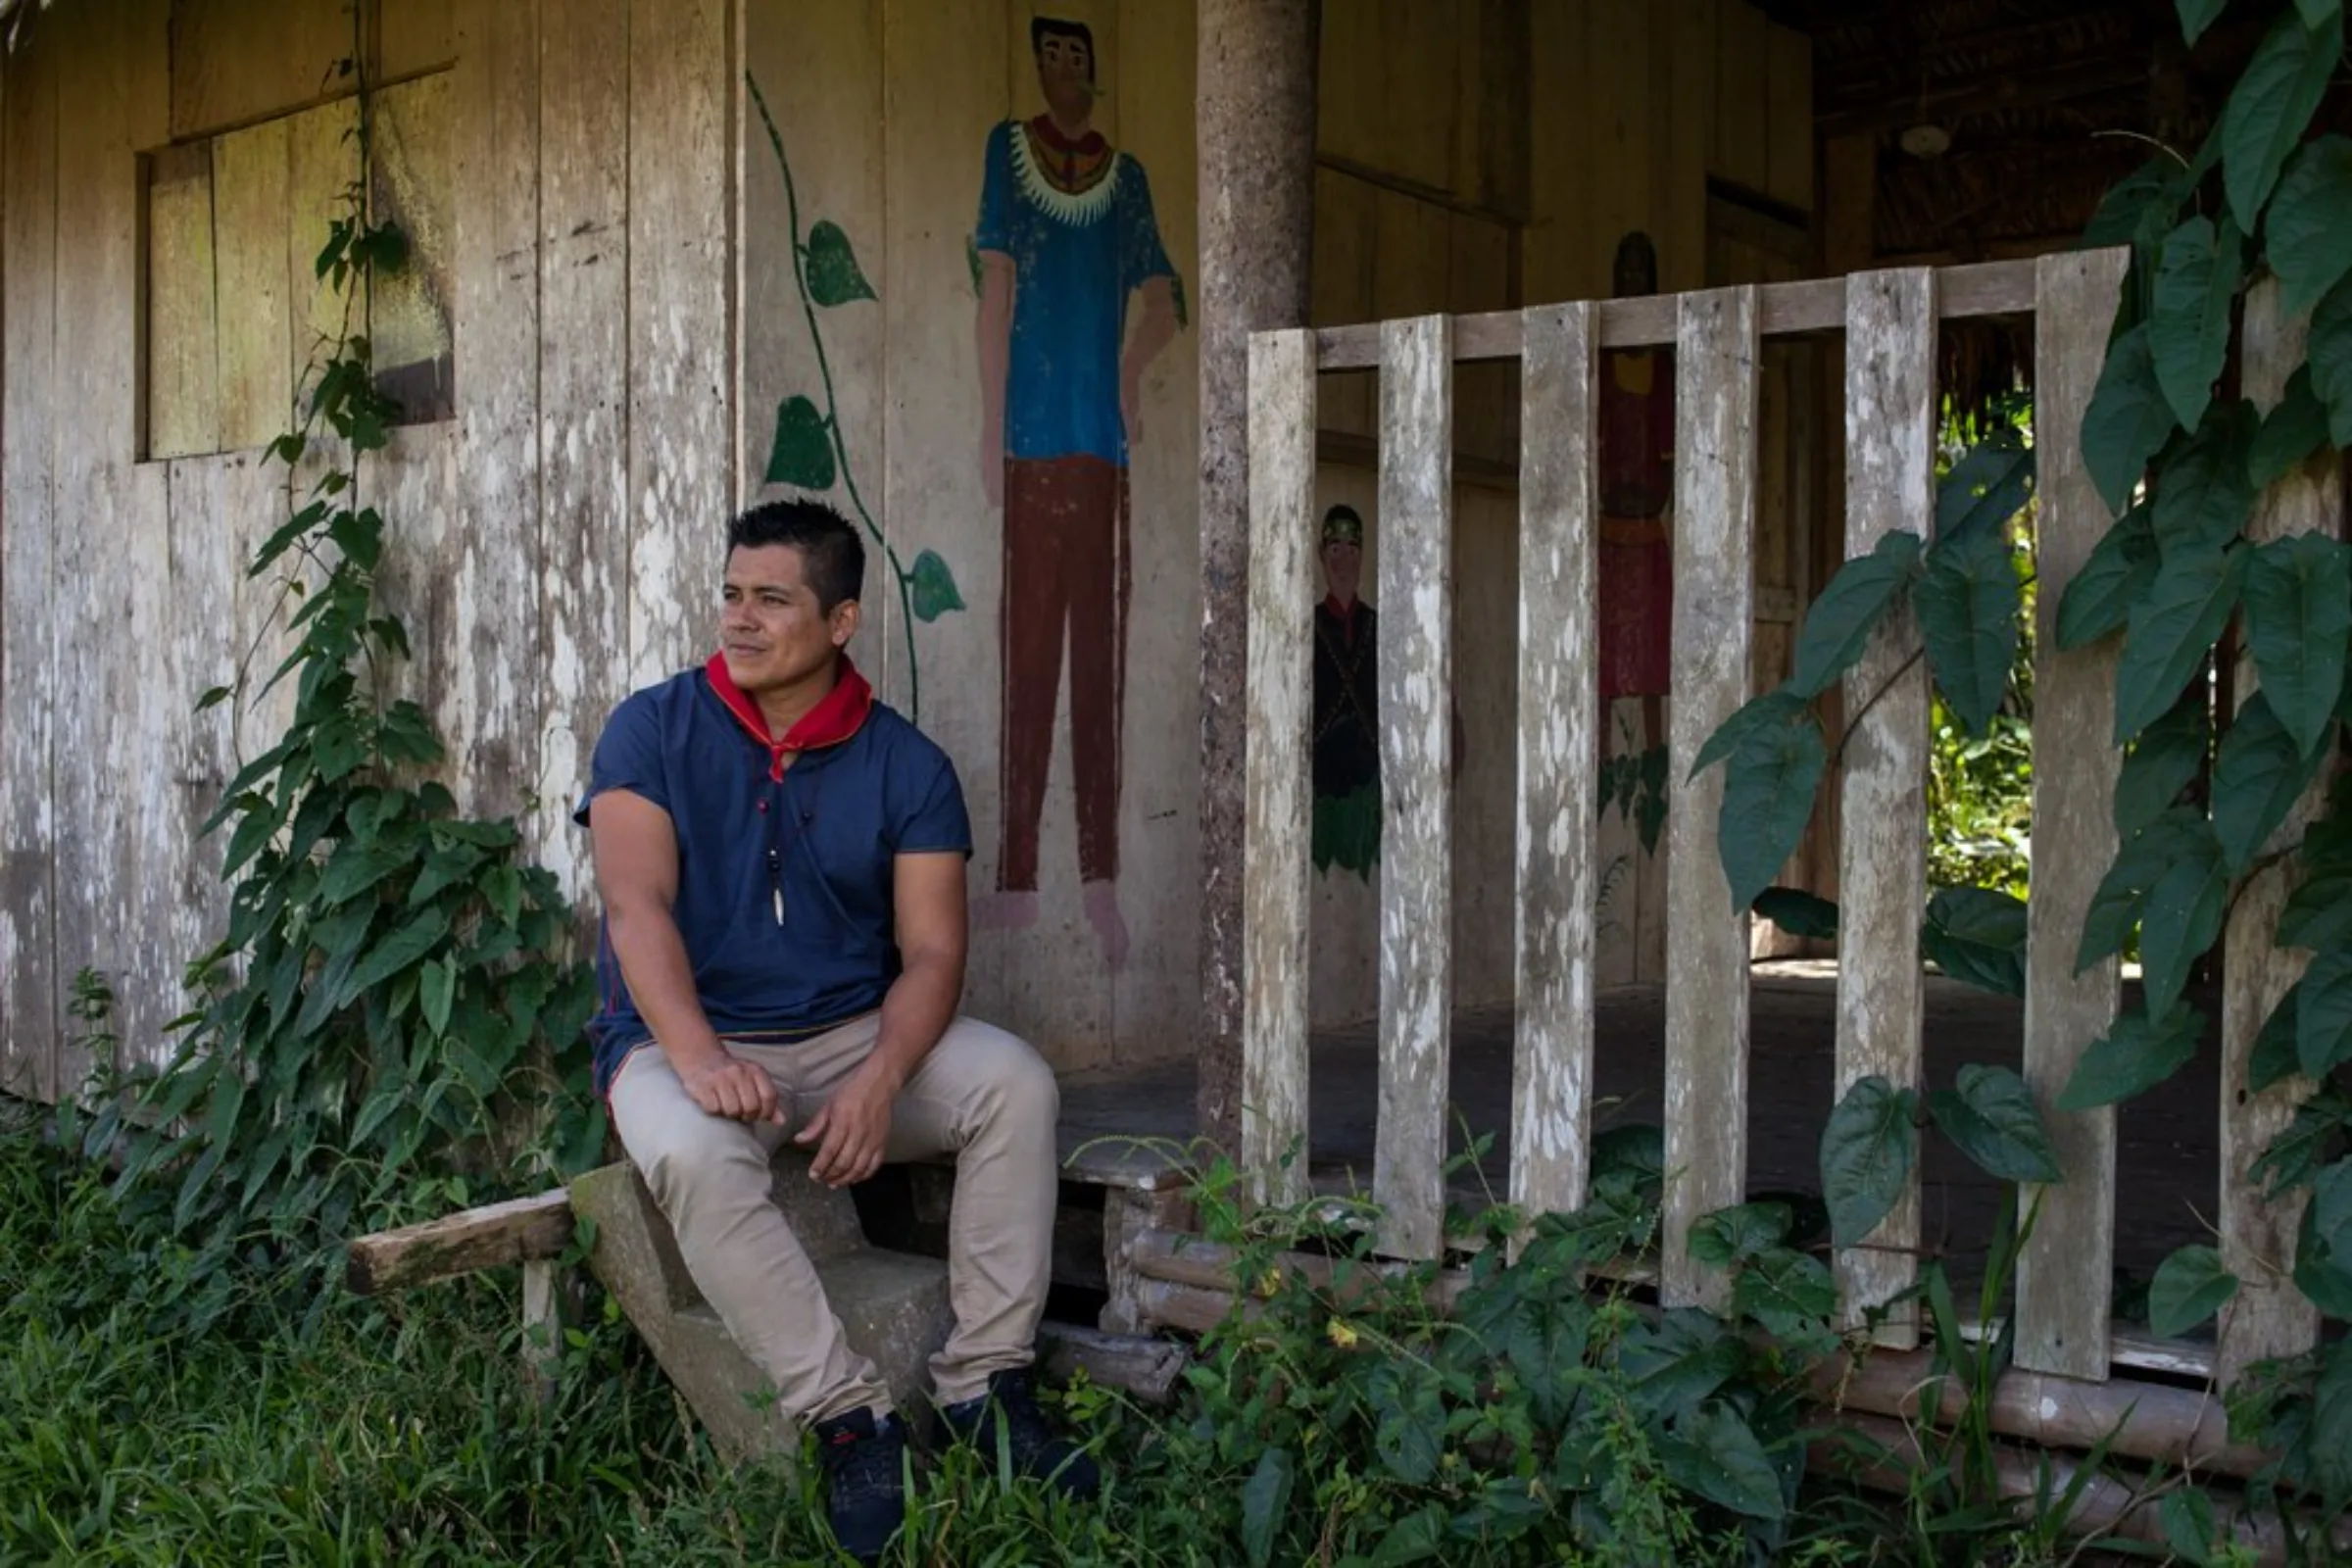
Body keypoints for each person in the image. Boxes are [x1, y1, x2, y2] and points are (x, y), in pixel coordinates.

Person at [577, 499, 1096, 1563]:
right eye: (731, 594)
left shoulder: (908, 766)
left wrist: (879, 1076)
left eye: (773, 599)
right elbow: (636, 910)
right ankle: (846, 1418)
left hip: (852, 1034)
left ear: (843, 619)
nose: (740, 620)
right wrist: (701, 1057)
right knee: (689, 1151)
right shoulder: (653, 728)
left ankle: (984, 1386)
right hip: (684, 1037)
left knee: (1015, 1084)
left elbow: (937, 957)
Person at [972, 14, 1181, 968]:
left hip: (1101, 453)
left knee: (1096, 665)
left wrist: (1130, 377)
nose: (1066, 72)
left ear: (1096, 75)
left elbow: (1164, 299)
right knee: (1028, 660)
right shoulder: (1005, 156)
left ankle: (1099, 879)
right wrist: (988, 425)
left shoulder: (1126, 178)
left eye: (1079, 58)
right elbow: (995, 293)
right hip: (1028, 446)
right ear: (1037, 68)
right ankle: (1016, 881)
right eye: (1050, 56)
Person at [1597, 230, 1676, 762]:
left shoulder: (1663, 368)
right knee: (1603, 652)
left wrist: (1644, 497)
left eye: (1640, 274)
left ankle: (1654, 759)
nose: (1632, 283)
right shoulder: (1599, 363)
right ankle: (1600, 756)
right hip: (1608, 527)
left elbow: (1668, 457)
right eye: (1624, 273)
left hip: (1646, 526)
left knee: (1651, 654)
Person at [1312, 505, 1382, 877]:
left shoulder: (1378, 628)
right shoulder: (1306, 628)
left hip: (1367, 783)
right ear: (1322, 556)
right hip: (1321, 784)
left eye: (1352, 549)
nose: (1344, 559)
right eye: (1335, 548)